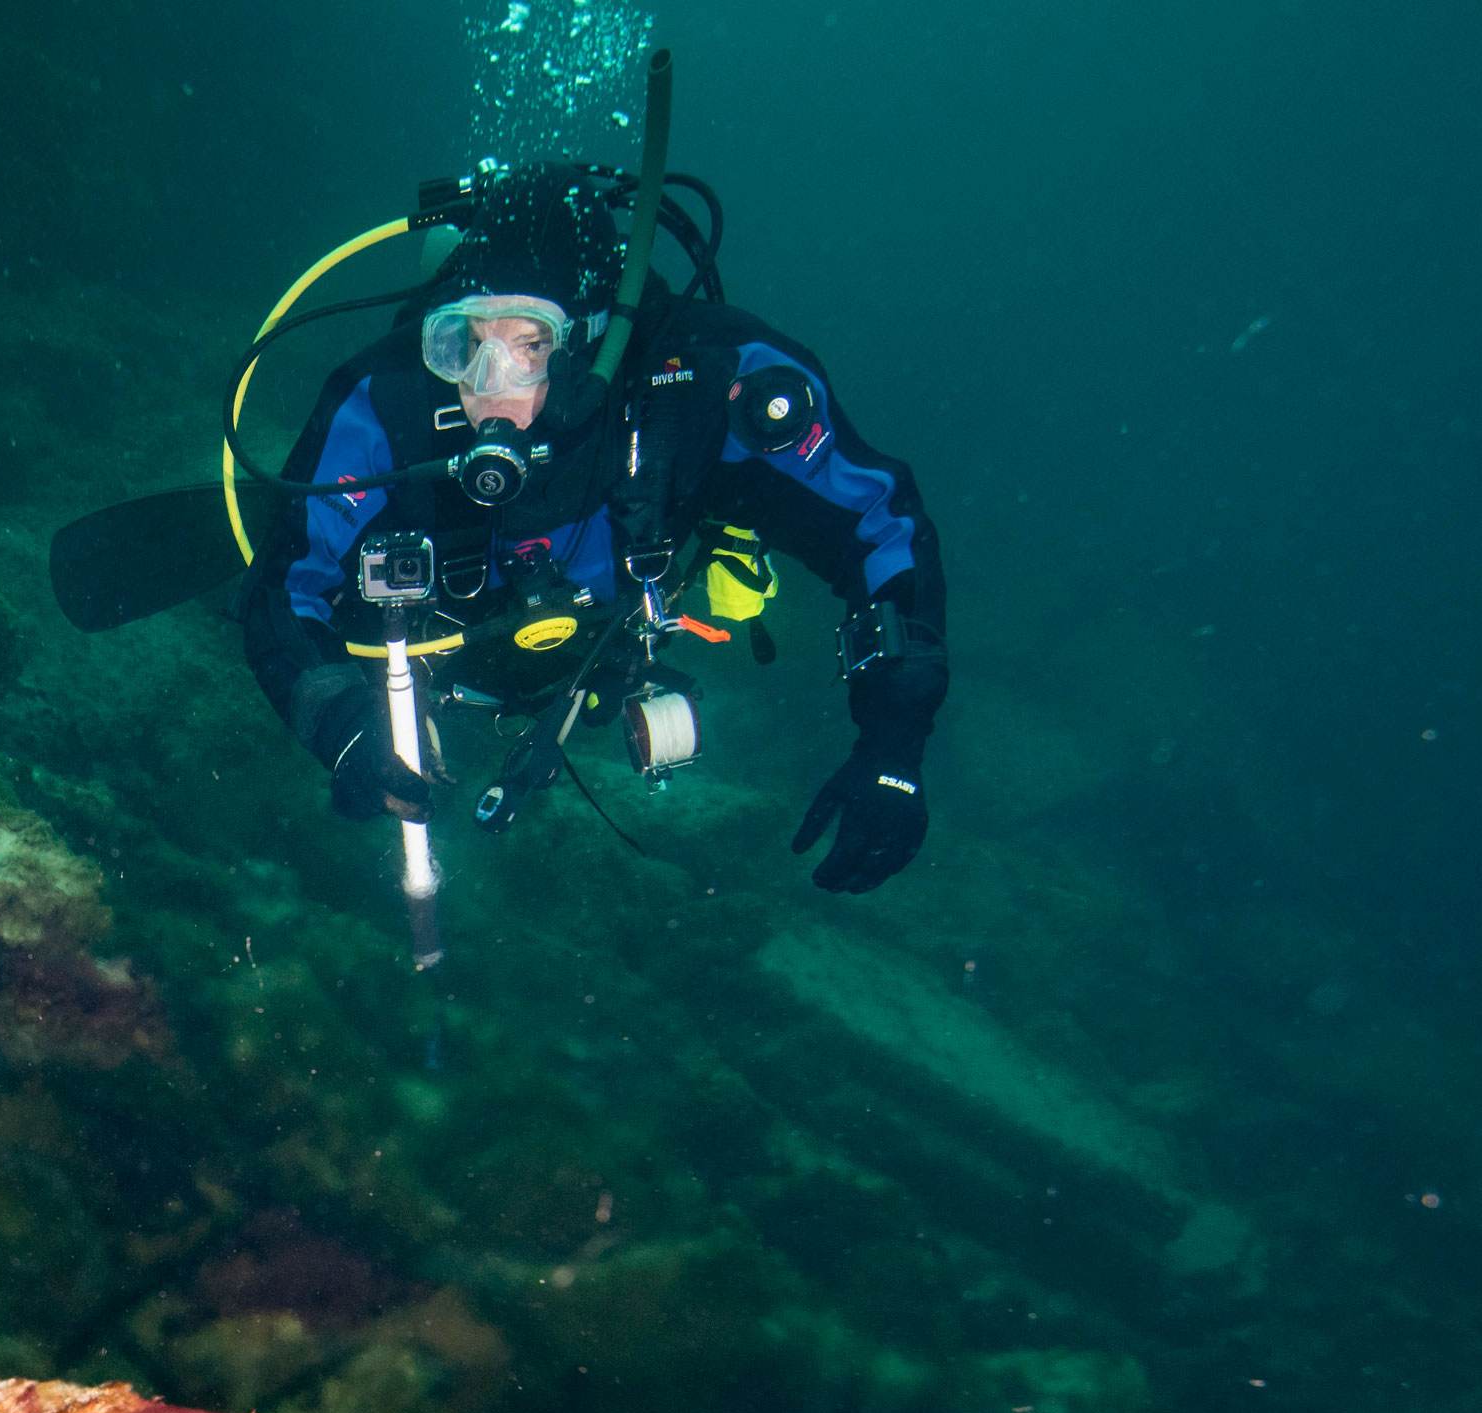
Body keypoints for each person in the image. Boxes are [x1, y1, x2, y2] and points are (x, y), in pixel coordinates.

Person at [238, 178, 949, 893]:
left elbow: (881, 524)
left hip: (608, 656)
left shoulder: (710, 381)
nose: (487, 384)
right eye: (465, 343)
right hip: (435, 659)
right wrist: (341, 724)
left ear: (590, 341)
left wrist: (894, 742)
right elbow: (284, 580)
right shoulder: (386, 399)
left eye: (529, 344)